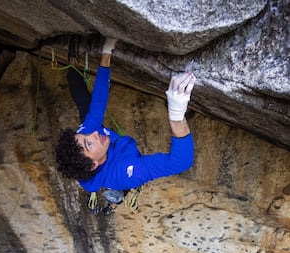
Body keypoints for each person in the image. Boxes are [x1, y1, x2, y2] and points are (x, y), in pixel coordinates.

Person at [55, 36, 196, 215]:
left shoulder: (89, 134)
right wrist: (176, 115)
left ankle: (72, 65)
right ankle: (115, 200)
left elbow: (98, 102)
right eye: (89, 144)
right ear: (93, 165)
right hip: (119, 171)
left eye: (84, 136)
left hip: (109, 155)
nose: (93, 134)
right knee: (119, 187)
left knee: (86, 104)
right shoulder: (125, 171)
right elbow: (180, 162)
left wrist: (106, 53)